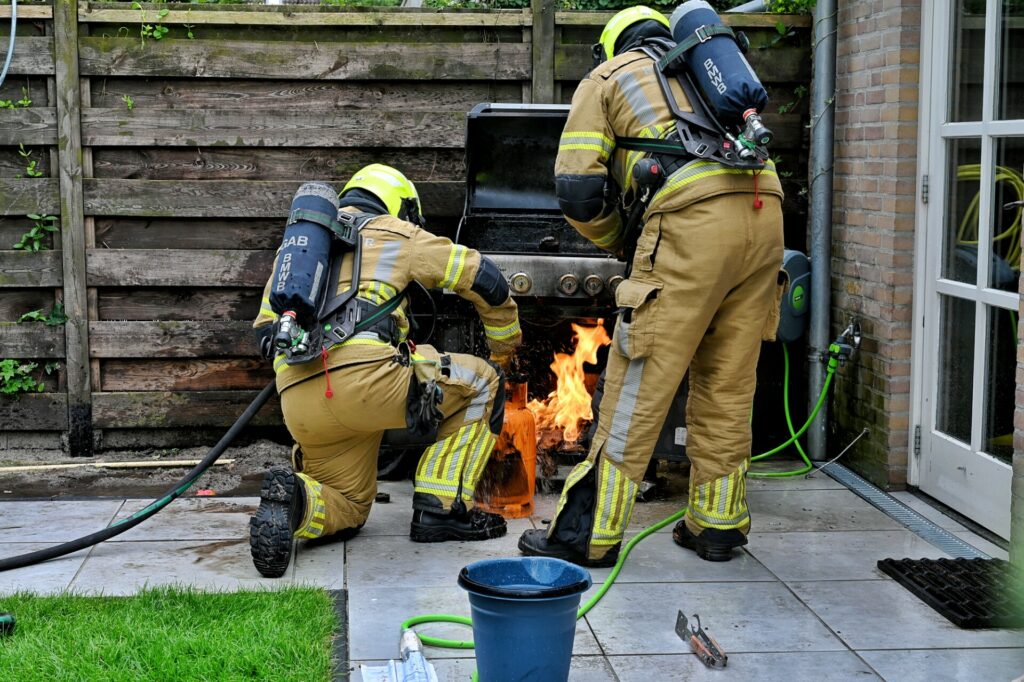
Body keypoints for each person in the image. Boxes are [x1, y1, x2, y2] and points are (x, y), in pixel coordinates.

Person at [518, 6, 785, 565]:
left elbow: (578, 191)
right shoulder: (704, 72)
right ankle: (717, 525)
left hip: (692, 223)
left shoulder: (610, 77)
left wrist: (622, 241)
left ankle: (586, 535)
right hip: (765, 216)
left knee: (638, 386)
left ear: (611, 45)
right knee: (729, 384)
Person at [250, 164, 522, 578]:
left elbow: (265, 332)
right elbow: (481, 277)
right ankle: (441, 509)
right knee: (483, 382)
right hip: (367, 383)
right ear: (401, 206)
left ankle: (297, 502)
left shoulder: (298, 254)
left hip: (300, 400)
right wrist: (505, 346)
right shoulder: (397, 233)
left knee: (350, 503)